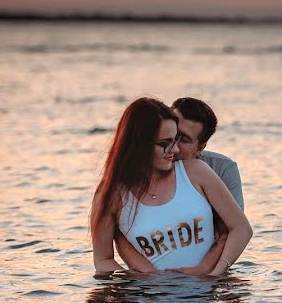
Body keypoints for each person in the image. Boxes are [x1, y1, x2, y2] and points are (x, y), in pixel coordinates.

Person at [91, 97, 252, 275]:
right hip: (151, 296)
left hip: (207, 290)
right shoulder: (111, 194)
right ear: (139, 144)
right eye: (165, 143)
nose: (174, 150)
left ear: (200, 147)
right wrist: (142, 280)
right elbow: (103, 260)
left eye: (179, 140)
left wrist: (212, 276)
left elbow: (239, 229)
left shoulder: (200, 170)